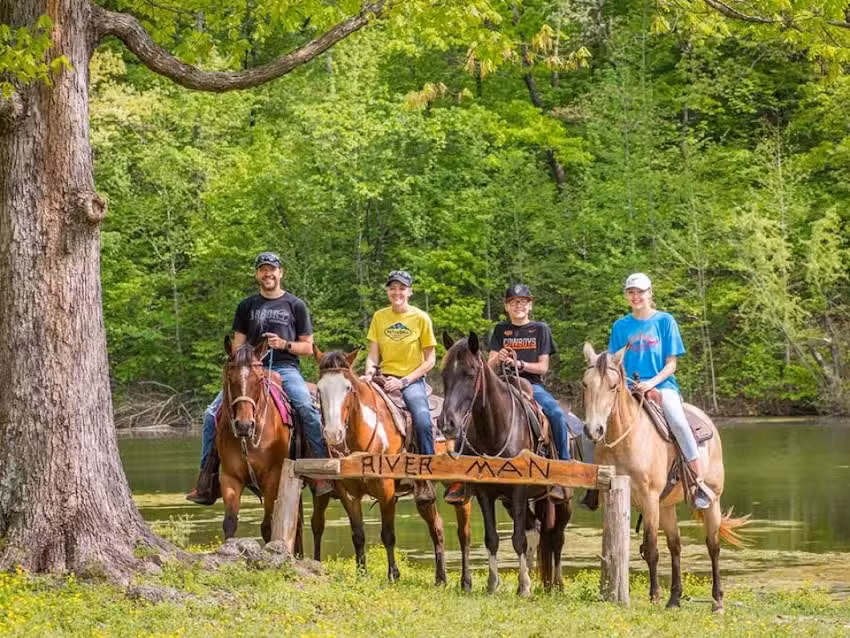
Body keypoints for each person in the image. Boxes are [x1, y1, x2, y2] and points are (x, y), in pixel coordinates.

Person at [186, 252, 332, 504]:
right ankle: (206, 479)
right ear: (257, 274)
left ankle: (320, 474)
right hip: (250, 370)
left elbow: (308, 348)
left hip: (285, 369)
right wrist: (244, 360)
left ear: (280, 273)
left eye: (272, 269)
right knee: (211, 414)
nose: (268, 274)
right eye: (263, 270)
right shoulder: (246, 306)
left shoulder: (295, 305)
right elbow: (238, 347)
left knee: (306, 407)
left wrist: (283, 344)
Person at [608, 272, 714, 509]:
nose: (636, 297)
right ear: (627, 296)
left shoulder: (665, 321)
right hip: (626, 387)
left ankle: (697, 482)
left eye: (640, 292)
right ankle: (597, 486)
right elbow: (614, 363)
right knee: (602, 422)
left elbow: (671, 364)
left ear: (650, 293)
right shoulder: (620, 326)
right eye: (631, 292)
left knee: (677, 421)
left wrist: (651, 383)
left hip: (661, 384)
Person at [481, 283, 571, 501]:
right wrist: (497, 358)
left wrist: (519, 364)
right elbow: (488, 366)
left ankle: (564, 470)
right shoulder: (501, 330)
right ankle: (462, 478)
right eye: (513, 302)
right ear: (506, 306)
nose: (518, 305)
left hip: (531, 385)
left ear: (529, 305)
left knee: (557, 414)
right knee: (470, 413)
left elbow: (543, 367)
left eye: (522, 301)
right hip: (502, 384)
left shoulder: (540, 329)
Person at [362, 270, 437, 505]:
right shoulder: (379, 317)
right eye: (393, 288)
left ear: (410, 292)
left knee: (423, 420)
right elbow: (373, 354)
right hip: (383, 377)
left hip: (411, 380)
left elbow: (430, 360)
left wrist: (404, 381)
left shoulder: (421, 318)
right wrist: (368, 373)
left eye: (402, 288)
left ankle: (425, 477)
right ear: (388, 291)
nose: (397, 292)